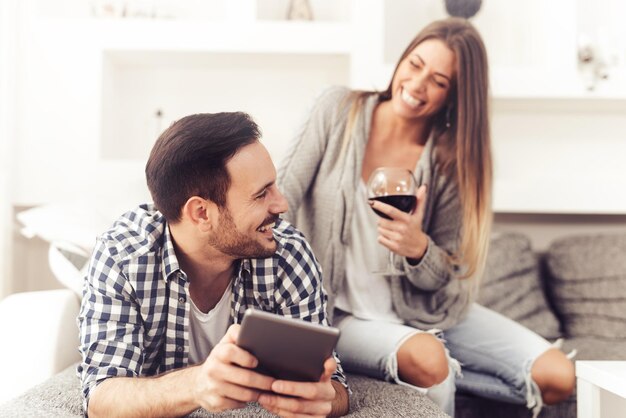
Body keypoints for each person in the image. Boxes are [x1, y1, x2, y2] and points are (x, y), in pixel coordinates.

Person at [277, 17, 575, 417]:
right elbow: (284, 196)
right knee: (429, 356)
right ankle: (429, 368)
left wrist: (419, 250)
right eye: (415, 65)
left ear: (455, 96)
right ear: (401, 60)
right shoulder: (337, 110)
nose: (417, 86)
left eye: (439, 81)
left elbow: (444, 274)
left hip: (426, 311)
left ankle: (430, 371)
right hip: (342, 313)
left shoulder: (451, 159)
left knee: (558, 377)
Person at [77, 112, 350, 417]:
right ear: (201, 213)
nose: (282, 204)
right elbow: (102, 397)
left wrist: (323, 398)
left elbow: (336, 387)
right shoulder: (122, 257)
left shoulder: (288, 254)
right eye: (262, 194)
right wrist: (197, 383)